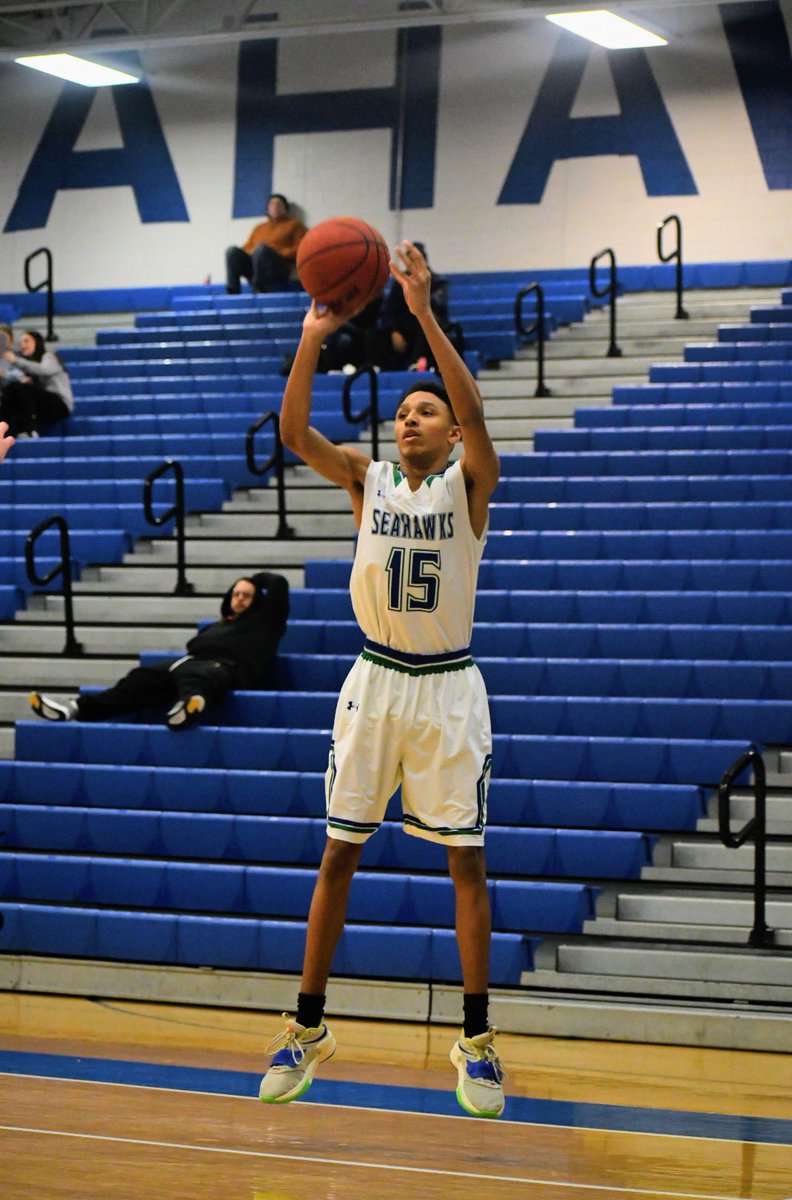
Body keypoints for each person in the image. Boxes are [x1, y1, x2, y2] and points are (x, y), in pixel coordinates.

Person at [259, 241, 505, 1119]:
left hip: (446, 686)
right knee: (338, 855)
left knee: (466, 864)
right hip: (375, 678)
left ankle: (476, 1040)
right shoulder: (367, 482)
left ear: (449, 433)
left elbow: (478, 415)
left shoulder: (470, 484)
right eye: (403, 409)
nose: (410, 418)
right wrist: (312, 336)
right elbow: (292, 437)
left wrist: (423, 309)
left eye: (426, 410)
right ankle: (307, 1025)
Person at [30, 571, 289, 729]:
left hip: (225, 666)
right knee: (137, 680)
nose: (240, 598)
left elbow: (278, 584)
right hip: (188, 661)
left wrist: (254, 579)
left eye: (247, 594)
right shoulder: (215, 626)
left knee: (200, 678)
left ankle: (189, 706)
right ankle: (74, 709)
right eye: (236, 593)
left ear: (258, 601)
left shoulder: (265, 622)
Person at [364, 241, 449, 372]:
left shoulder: (438, 282)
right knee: (374, 333)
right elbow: (389, 311)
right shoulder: (400, 283)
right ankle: (378, 370)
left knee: (429, 325)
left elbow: (438, 308)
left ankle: (416, 365)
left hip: (426, 327)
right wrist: (394, 331)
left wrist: (421, 289)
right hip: (404, 330)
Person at [226, 193, 307, 295]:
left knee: (262, 249)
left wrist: (276, 251)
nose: (275, 207)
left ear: (285, 208)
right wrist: (255, 253)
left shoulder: (295, 225)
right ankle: (233, 291)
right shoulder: (259, 228)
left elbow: (301, 248)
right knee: (232, 251)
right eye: (272, 204)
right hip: (256, 266)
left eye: (278, 204)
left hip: (278, 268)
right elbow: (247, 248)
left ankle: (258, 289)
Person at [0, 329, 73, 437]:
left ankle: (30, 430)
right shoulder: (26, 366)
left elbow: (42, 370)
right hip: (40, 408)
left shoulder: (49, 357)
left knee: (19, 388)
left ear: (37, 342)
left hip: (59, 405)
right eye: (20, 343)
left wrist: (15, 360)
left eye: (26, 341)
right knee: (11, 393)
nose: (23, 345)